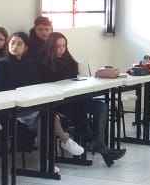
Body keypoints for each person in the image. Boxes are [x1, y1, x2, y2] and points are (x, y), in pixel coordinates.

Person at [40, 32, 124, 165]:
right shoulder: (43, 63)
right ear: (51, 47)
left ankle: (98, 143)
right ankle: (102, 148)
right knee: (80, 111)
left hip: (76, 99)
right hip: (59, 104)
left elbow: (74, 78)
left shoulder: (69, 60)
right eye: (57, 46)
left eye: (64, 46)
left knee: (101, 106)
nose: (61, 49)